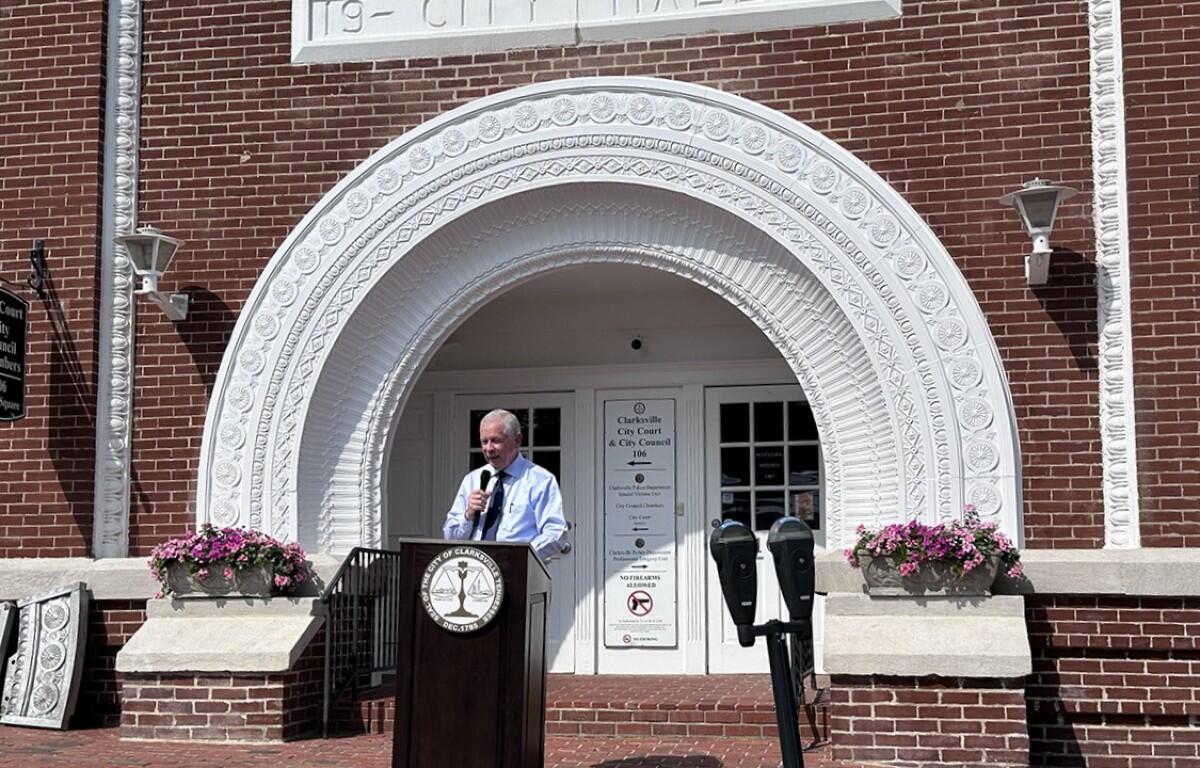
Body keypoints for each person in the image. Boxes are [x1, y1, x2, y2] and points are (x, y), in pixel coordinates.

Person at [442, 409, 568, 562]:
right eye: (484, 441)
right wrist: (468, 514)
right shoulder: (472, 480)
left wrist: (520, 557)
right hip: (475, 574)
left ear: (517, 440)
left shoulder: (540, 480)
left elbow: (556, 533)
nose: (488, 449)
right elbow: (450, 537)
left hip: (519, 572)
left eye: (495, 440)